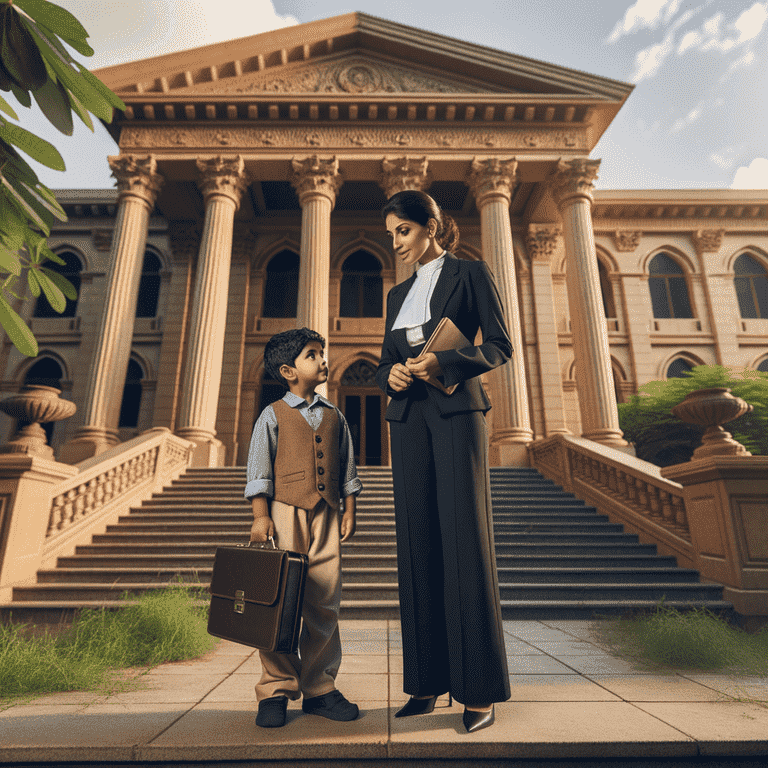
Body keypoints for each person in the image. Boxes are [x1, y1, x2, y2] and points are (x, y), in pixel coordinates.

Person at [375, 190, 512, 734]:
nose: (396, 243)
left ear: (430, 227)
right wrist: (393, 374)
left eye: (402, 232)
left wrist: (445, 361)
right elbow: (387, 359)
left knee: (465, 541)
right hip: (408, 422)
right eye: (390, 235)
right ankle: (427, 684)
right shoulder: (395, 295)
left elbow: (500, 346)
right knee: (416, 547)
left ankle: (479, 692)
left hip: (457, 416)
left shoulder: (471, 274)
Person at [245, 327, 362, 728]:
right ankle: (275, 689)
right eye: (312, 355)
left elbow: (346, 466)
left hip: (326, 515)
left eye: (322, 353)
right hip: (283, 513)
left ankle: (320, 689)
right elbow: (258, 470)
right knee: (278, 603)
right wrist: (260, 516)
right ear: (288, 370)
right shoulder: (271, 415)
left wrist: (350, 508)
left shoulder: (335, 416)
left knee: (324, 601)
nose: (323, 360)